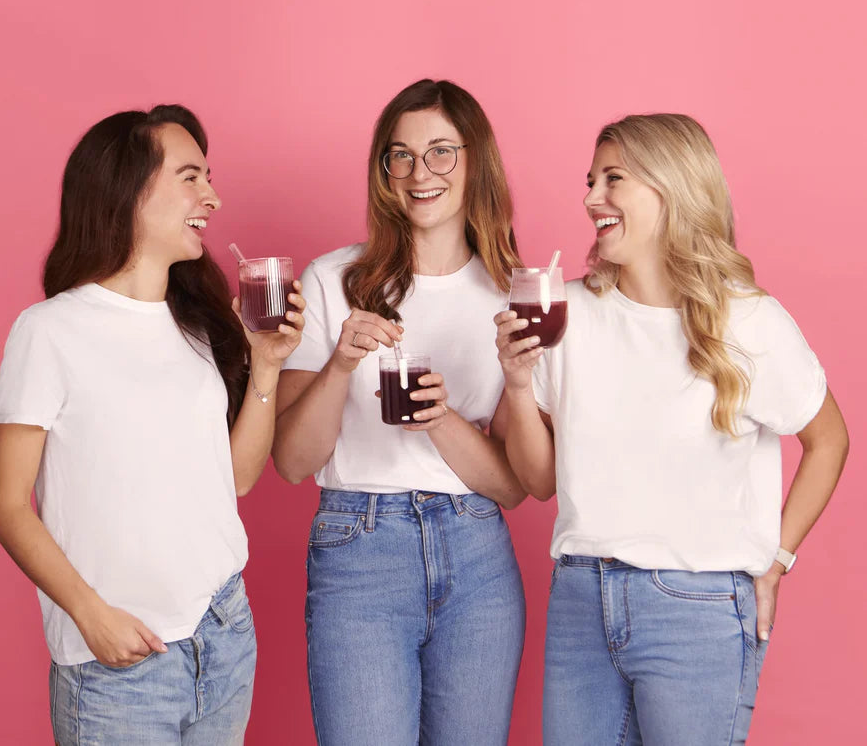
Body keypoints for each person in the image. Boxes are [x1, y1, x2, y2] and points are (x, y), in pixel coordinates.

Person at [495, 113, 849, 745]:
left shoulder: (749, 321)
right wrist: (519, 387)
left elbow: (829, 440)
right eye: (589, 179)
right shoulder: (567, 313)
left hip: (699, 611)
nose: (589, 198)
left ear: (671, 190)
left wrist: (776, 560)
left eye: (613, 179)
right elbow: (540, 481)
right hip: (581, 597)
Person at [0, 105, 305, 745]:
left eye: (209, 178)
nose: (211, 197)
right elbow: (6, 505)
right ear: (128, 190)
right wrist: (89, 615)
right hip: (118, 664)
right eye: (191, 177)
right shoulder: (49, 331)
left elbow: (236, 480)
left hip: (222, 634)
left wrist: (265, 367)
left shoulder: (197, 328)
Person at [274, 79, 526, 745]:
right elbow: (294, 462)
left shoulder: (511, 294)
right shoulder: (333, 280)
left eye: (442, 152)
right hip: (360, 549)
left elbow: (512, 486)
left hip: (477, 554)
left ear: (477, 163)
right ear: (383, 170)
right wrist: (341, 365)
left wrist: (441, 419)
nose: (421, 173)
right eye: (401, 155)